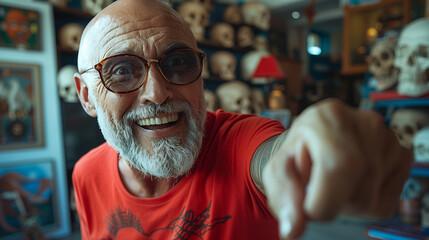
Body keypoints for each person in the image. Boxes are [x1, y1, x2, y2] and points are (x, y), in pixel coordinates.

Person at [72, 0, 412, 239]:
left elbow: (272, 155)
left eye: (178, 64)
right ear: (86, 96)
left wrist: (305, 148)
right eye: (121, 71)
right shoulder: (86, 175)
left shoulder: (240, 141)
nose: (157, 93)